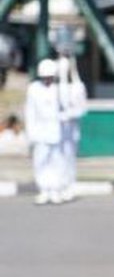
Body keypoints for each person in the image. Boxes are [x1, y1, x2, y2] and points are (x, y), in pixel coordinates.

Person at [24, 59, 65, 205]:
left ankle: (55, 190)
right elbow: (30, 111)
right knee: (40, 161)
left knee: (57, 161)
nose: (48, 80)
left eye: (50, 77)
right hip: (40, 131)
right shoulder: (33, 89)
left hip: (56, 131)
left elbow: (67, 107)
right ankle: (43, 190)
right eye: (45, 77)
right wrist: (30, 133)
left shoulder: (59, 89)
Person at [56, 54, 87, 202]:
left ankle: (69, 186)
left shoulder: (78, 87)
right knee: (57, 159)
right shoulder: (54, 88)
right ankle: (56, 186)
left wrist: (71, 114)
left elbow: (82, 108)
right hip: (56, 130)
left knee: (70, 159)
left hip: (72, 129)